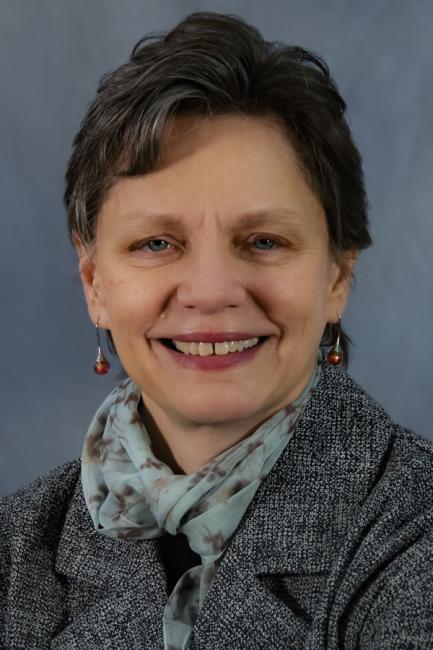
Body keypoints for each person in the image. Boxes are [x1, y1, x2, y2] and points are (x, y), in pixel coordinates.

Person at [1, 11, 432, 650]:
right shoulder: (16, 550)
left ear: (338, 275)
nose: (211, 292)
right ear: (94, 281)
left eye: (263, 240)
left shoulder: (414, 537)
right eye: (155, 243)